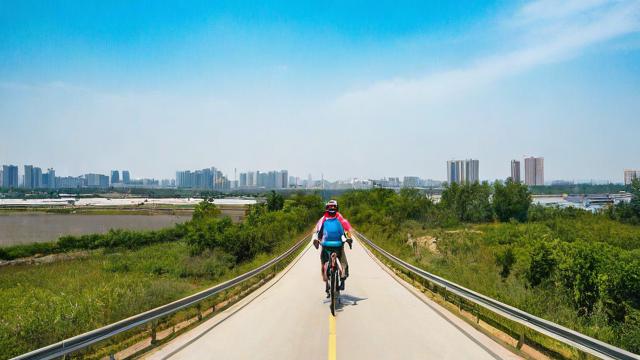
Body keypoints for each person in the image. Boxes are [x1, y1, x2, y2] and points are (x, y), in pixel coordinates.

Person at [312, 200, 353, 296]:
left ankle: (338, 278)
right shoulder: (330, 219)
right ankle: (338, 279)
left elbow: (346, 230)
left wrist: (348, 238)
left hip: (330, 244)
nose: (332, 209)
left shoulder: (330, 218)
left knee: (327, 262)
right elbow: (317, 230)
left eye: (333, 207)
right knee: (342, 263)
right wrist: (316, 239)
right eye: (330, 208)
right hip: (331, 244)